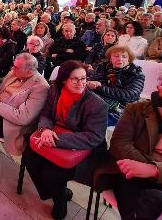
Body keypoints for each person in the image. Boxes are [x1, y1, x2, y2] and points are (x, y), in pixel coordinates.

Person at [23, 60, 108, 220]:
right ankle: (58, 193)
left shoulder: (96, 105)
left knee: (52, 173)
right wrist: (45, 129)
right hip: (54, 135)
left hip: (85, 150)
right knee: (29, 156)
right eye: (75, 79)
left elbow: (93, 137)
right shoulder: (55, 90)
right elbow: (46, 113)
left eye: (83, 78)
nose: (81, 83)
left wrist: (56, 139)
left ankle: (59, 199)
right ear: (63, 80)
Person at [108, 65, 162, 220]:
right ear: (160, 89)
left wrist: (155, 169)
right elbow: (119, 144)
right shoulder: (137, 110)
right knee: (150, 199)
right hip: (137, 177)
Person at [88, 46, 145, 126]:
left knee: (92, 123)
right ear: (110, 58)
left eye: (124, 56)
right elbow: (91, 82)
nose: (120, 59)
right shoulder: (102, 68)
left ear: (129, 59)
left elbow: (129, 95)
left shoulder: (136, 74)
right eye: (116, 56)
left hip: (122, 109)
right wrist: (90, 83)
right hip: (99, 104)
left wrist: (99, 88)